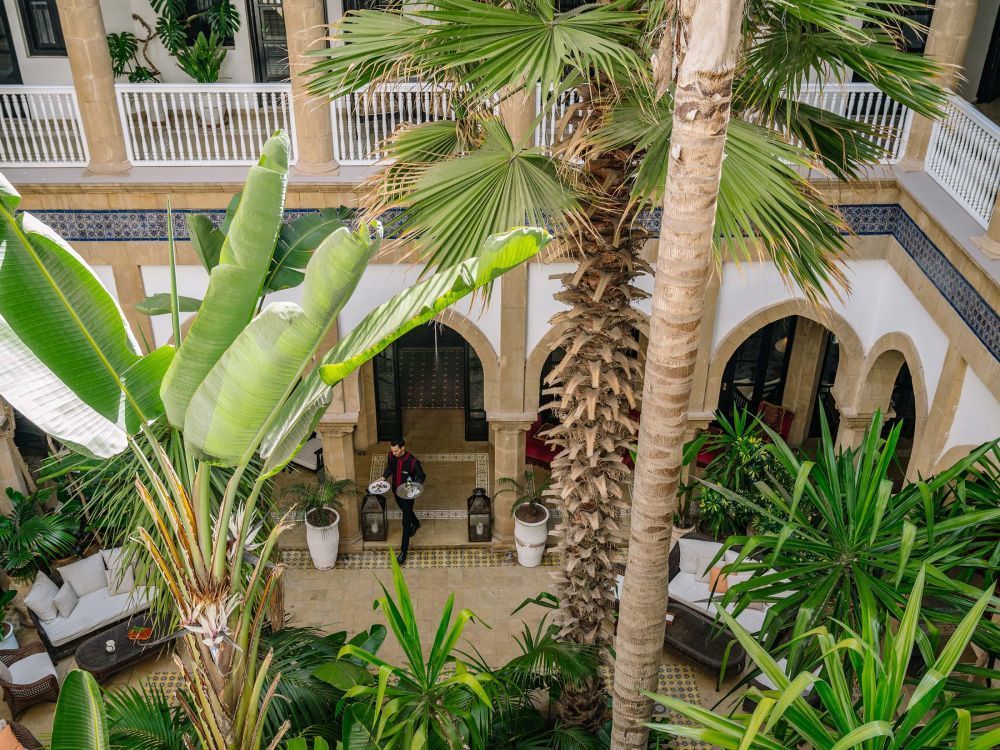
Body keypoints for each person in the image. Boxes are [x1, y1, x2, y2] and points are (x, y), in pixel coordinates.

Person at [382, 436, 426, 565]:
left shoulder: (413, 462)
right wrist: (383, 477)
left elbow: (421, 476)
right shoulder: (391, 456)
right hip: (396, 491)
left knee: (405, 522)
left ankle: (403, 551)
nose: (393, 453)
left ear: (402, 448)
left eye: (396, 451)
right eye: (392, 450)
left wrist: (415, 486)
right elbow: (390, 467)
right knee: (406, 511)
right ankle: (416, 523)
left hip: (407, 495)